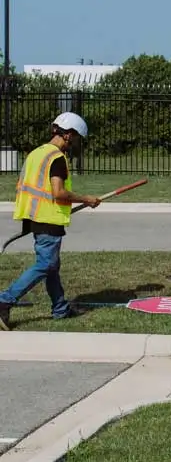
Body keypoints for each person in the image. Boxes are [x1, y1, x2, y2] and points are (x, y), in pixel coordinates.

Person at [0, 113, 101, 330]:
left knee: (52, 266)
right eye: (75, 137)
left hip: (34, 216)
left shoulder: (36, 153)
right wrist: (87, 199)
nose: (75, 143)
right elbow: (58, 192)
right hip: (48, 218)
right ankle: (4, 301)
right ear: (67, 134)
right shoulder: (57, 158)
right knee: (46, 264)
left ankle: (60, 309)